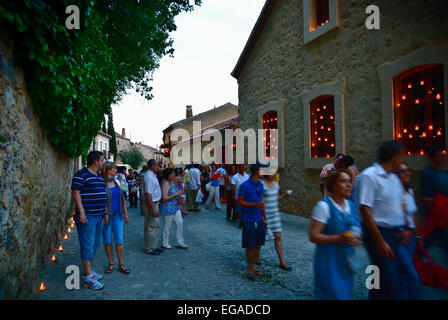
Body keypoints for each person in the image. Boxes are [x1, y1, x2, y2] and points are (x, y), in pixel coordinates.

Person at [357, 140, 420, 299]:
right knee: (391, 282)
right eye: (402, 155)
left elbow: (401, 206)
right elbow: (365, 209)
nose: (403, 159)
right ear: (394, 156)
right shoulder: (370, 176)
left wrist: (407, 230)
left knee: (380, 275)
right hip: (377, 234)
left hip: (396, 234)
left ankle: (374, 296)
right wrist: (379, 240)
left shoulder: (393, 179)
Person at [309, 170, 362, 300]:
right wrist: (340, 238)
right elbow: (313, 236)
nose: (349, 185)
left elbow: (354, 229)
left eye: (349, 181)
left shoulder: (351, 205)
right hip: (328, 261)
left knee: (345, 294)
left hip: (345, 261)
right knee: (331, 293)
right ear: (332, 185)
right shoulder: (324, 207)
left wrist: (356, 238)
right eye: (343, 181)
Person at [71, 151, 108, 290]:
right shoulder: (81, 175)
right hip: (87, 217)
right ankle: (88, 277)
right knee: (87, 245)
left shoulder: (99, 177)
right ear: (96, 161)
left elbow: (102, 195)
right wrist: (82, 212)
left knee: (95, 244)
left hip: (98, 216)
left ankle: (89, 272)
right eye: (102, 160)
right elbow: (76, 193)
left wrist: (104, 212)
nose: (104, 162)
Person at [394, 162, 422, 299]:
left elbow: (413, 216)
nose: (407, 173)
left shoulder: (410, 191)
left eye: (408, 170)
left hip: (410, 235)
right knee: (412, 275)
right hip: (399, 235)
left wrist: (418, 237)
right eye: (402, 171)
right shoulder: (393, 193)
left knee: (405, 272)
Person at [237, 164, 267, 279]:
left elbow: (261, 202)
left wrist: (264, 217)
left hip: (259, 217)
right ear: (257, 172)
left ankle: (253, 265)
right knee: (250, 244)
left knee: (259, 242)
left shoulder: (260, 184)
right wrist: (253, 204)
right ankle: (251, 268)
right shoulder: (245, 185)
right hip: (248, 218)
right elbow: (239, 202)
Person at [101, 162, 131, 275]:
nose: (116, 171)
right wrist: (104, 213)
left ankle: (121, 263)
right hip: (107, 217)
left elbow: (122, 199)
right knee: (108, 241)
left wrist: (126, 214)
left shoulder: (117, 182)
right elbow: (101, 200)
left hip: (118, 215)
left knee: (119, 240)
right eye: (114, 169)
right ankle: (111, 263)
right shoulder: (102, 184)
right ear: (108, 170)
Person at [420, 144, 448, 259]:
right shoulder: (427, 173)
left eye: (443, 156)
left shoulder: (443, 174)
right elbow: (424, 196)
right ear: (433, 158)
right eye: (440, 156)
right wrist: (439, 202)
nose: (443, 159)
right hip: (434, 219)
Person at [262, 172, 291, 271]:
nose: (274, 174)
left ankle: (282, 262)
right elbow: (260, 201)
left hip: (275, 214)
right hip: (265, 214)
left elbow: (277, 199)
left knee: (278, 237)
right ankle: (254, 259)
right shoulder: (261, 184)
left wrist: (285, 196)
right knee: (259, 238)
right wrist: (263, 217)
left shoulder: (276, 185)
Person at [160, 168, 188, 250]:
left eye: (174, 174)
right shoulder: (165, 183)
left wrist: (181, 205)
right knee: (167, 226)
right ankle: (165, 243)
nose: (173, 175)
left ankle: (180, 241)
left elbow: (177, 195)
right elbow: (164, 198)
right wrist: (176, 194)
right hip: (168, 207)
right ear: (167, 175)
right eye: (171, 174)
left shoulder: (172, 182)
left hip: (175, 206)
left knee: (180, 222)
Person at [142, 159, 163, 256]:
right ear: (152, 166)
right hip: (151, 203)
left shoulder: (152, 175)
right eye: (158, 165)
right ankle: (149, 248)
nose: (159, 167)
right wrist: (153, 208)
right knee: (150, 226)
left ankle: (154, 246)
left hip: (154, 203)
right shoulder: (149, 176)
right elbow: (148, 193)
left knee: (155, 225)